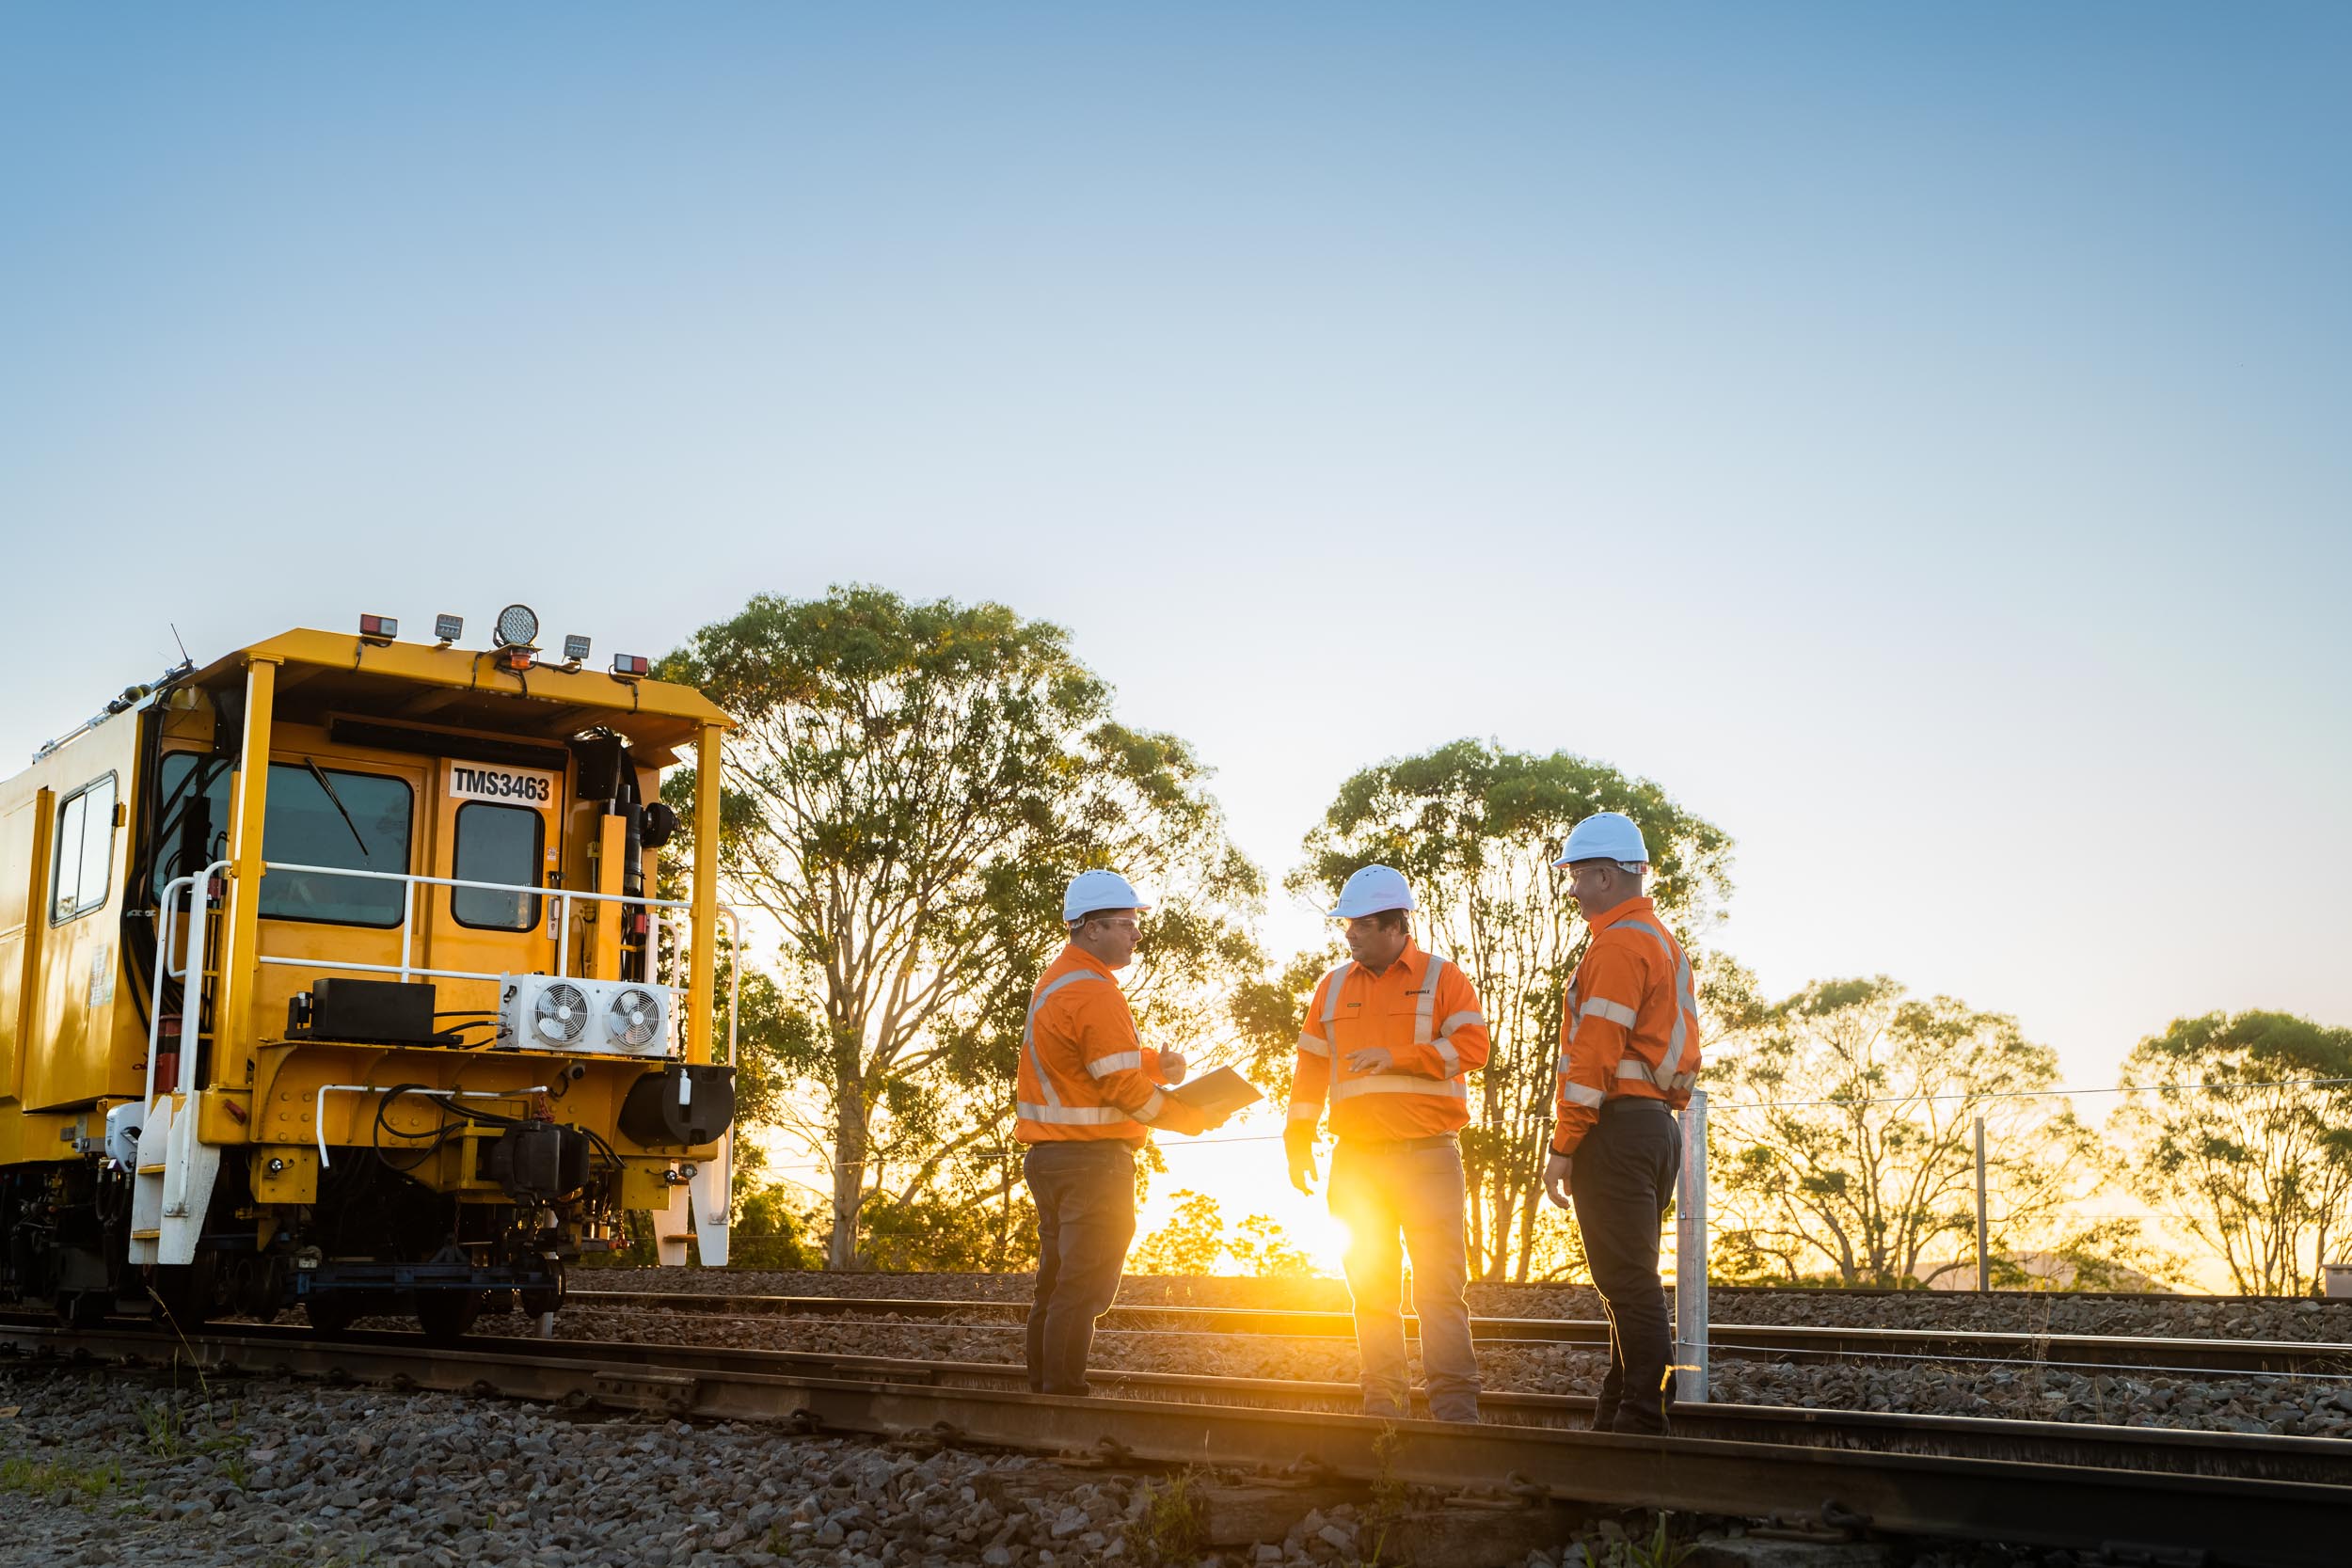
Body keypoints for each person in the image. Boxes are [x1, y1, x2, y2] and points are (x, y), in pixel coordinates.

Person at [1286, 864, 1490, 1422]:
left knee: (1439, 1290)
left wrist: (1400, 1057)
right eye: (1347, 924)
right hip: (1355, 1162)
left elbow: (1474, 1046)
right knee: (1371, 1291)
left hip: (1428, 1155)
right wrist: (1297, 1139)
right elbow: (1309, 1070)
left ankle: (1455, 1413)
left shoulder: (1444, 978)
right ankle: (1384, 1412)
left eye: (1361, 924)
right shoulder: (1330, 987)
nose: (1349, 934)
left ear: (1397, 926)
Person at [1016, 869, 1220, 1395]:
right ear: (1090, 928)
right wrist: (1189, 1117)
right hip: (1092, 1163)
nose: (1135, 934)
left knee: (1057, 1283)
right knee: (1082, 1287)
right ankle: (1063, 1395)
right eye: (1126, 924)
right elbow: (1122, 1089)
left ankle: (1042, 1390)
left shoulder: (1059, 980)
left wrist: (1156, 1064)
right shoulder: (1094, 991)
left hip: (1051, 1159)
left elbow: (1091, 1064)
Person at [1541, 812, 1701, 1434]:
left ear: (1606, 874)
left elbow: (1594, 1055)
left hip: (1616, 1129)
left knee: (1626, 1281)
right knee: (1628, 1277)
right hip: (1657, 1127)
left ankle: (1642, 1416)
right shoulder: (1661, 939)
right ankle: (1618, 1414)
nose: (1574, 889)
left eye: (1578, 876)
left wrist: (1564, 1143)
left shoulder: (1615, 945)